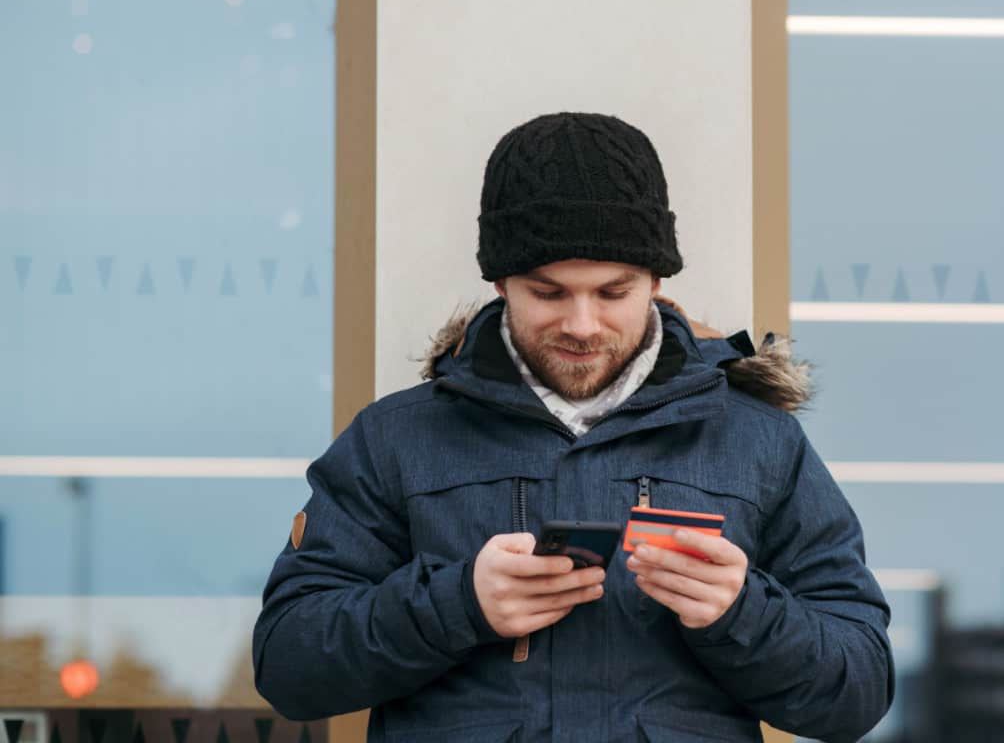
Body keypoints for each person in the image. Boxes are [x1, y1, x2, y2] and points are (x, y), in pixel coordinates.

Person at [252, 112, 894, 742]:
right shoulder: (394, 439)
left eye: (613, 292)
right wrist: (457, 604)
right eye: (550, 292)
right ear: (501, 282)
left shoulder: (760, 443)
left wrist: (741, 611)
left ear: (656, 281)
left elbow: (857, 693)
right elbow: (289, 666)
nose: (582, 324)